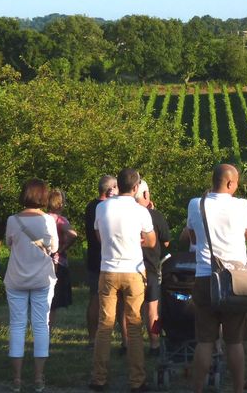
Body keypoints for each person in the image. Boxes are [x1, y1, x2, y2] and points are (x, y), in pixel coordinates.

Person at [185, 164, 247, 393]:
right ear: (230, 183)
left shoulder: (196, 204)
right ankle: (238, 389)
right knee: (235, 342)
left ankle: (197, 389)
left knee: (205, 341)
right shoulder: (242, 205)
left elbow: (192, 235)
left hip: (205, 277)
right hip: (235, 279)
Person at [91, 168, 156, 393]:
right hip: (134, 271)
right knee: (135, 326)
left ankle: (99, 378)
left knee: (105, 325)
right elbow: (151, 241)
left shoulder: (102, 207)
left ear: (118, 185)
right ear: (136, 187)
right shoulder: (141, 211)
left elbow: (100, 237)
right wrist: (137, 240)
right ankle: (137, 380)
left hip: (108, 270)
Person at [4, 179, 58, 393]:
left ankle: (16, 380)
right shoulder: (48, 220)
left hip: (16, 278)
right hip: (42, 279)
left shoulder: (12, 220)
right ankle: (38, 378)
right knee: (41, 325)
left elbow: (9, 243)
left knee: (17, 325)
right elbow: (54, 247)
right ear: (43, 196)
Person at [133, 179, 170, 355]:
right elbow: (167, 242)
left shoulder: (126, 213)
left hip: (130, 267)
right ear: (146, 195)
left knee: (128, 309)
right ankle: (154, 344)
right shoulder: (156, 216)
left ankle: (127, 344)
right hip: (151, 267)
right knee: (152, 308)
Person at [85, 175, 117, 346]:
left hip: (93, 257)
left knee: (95, 297)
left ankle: (93, 337)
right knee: (99, 299)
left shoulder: (91, 206)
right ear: (110, 189)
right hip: (103, 258)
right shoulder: (103, 208)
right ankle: (98, 337)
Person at [47, 189, 78, 331]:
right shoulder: (60, 220)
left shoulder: (43, 218)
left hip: (42, 260)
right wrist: (62, 248)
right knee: (53, 301)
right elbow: (73, 235)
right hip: (58, 261)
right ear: (60, 203)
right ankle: (49, 328)